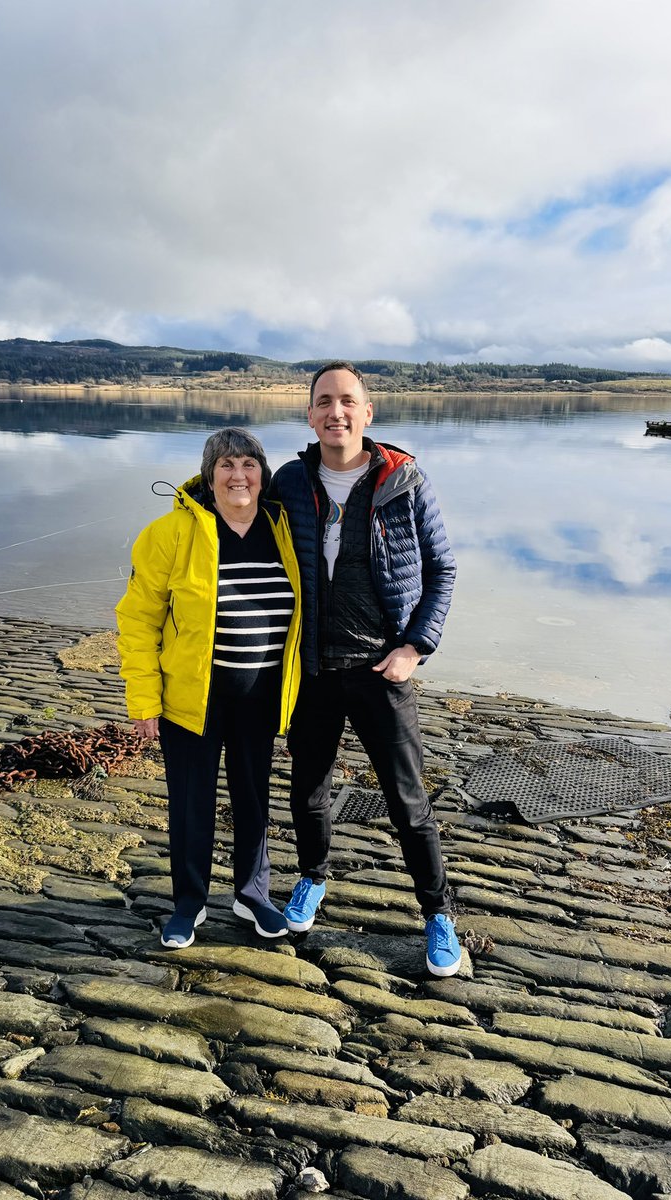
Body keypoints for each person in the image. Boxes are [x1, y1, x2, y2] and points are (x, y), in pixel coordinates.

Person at [270, 361, 461, 977]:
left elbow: (443, 571)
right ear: (310, 414)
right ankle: (311, 879)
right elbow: (236, 518)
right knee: (309, 790)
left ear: (367, 412)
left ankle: (438, 915)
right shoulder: (291, 483)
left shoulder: (405, 481)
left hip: (381, 669)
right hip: (314, 671)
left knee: (408, 802)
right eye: (324, 402)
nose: (336, 412)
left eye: (347, 401)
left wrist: (414, 647)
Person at [116, 428, 301, 948]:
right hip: (191, 699)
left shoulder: (284, 529)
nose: (238, 475)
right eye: (227, 465)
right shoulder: (169, 533)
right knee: (191, 803)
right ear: (208, 475)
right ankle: (189, 902)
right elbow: (137, 620)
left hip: (262, 696)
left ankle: (252, 894)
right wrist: (143, 699)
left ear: (262, 474)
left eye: (248, 464)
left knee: (254, 799)